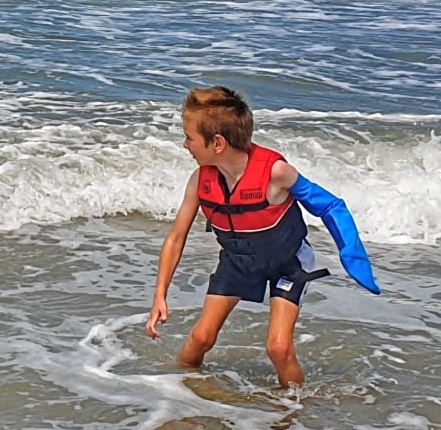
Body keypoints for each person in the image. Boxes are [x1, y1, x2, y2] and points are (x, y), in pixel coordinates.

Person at [146, 85, 378, 387]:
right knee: (201, 337)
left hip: (288, 263)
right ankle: (179, 396)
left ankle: (292, 414)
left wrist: (353, 255)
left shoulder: (275, 173)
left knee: (278, 348)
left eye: (189, 138)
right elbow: (176, 237)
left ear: (217, 143)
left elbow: (331, 206)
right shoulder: (199, 181)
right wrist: (160, 295)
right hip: (238, 260)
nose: (184, 144)